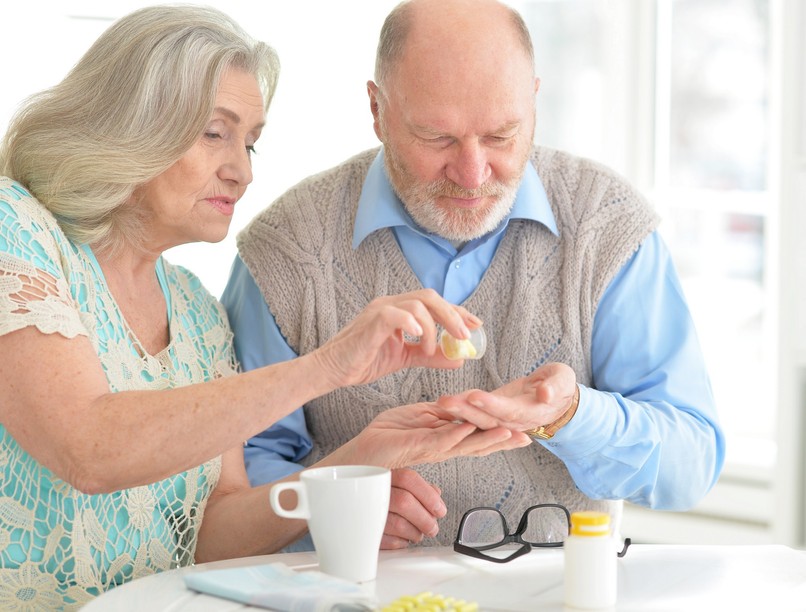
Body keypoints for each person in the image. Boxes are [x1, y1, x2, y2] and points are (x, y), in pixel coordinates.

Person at [0, 5, 533, 609]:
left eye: (251, 142)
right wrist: (328, 366)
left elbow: (213, 538)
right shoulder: (17, 230)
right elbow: (87, 448)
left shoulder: (197, 312)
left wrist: (361, 457)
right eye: (215, 133)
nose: (243, 171)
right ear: (133, 120)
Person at [222, 0, 726, 551]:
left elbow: (690, 463)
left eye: (501, 135)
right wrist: (328, 504)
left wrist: (574, 416)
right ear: (376, 109)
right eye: (437, 138)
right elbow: (240, 468)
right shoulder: (285, 251)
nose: (472, 173)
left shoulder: (608, 231)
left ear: (533, 102)